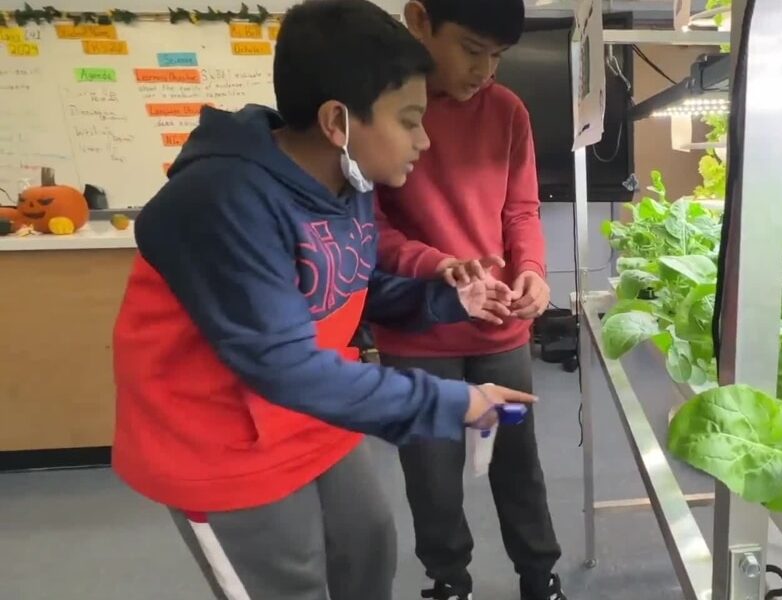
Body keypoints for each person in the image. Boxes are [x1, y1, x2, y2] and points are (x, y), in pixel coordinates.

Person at [109, 1, 535, 599]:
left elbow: (347, 287)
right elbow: (286, 367)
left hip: (313, 418)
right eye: (409, 120)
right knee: (291, 584)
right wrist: (456, 402)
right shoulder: (222, 201)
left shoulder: (345, 180)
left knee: (368, 553)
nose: (424, 139)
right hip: (221, 447)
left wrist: (446, 301)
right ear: (339, 121)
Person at [371, 1, 564, 599]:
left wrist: (532, 271)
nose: (486, 70)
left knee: (517, 461)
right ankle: (449, 582)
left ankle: (539, 575)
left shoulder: (506, 110)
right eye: (473, 50)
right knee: (431, 470)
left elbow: (521, 210)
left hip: (500, 331)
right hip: (418, 334)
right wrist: (438, 265)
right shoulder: (379, 109)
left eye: (498, 56)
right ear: (419, 20)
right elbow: (367, 228)